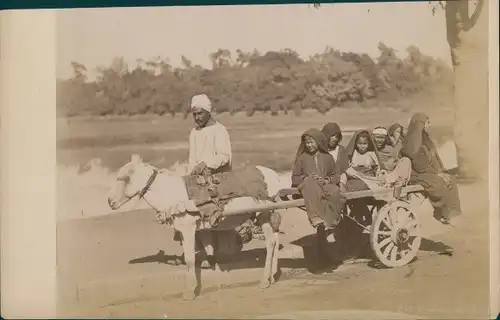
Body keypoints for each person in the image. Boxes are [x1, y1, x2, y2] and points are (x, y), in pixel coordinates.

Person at [401, 112, 462, 224]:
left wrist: (440, 171)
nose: (430, 125)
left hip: (428, 171)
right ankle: (440, 212)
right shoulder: (412, 142)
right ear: (421, 124)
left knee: (450, 179)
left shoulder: (426, 140)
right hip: (416, 174)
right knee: (438, 183)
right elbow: (419, 166)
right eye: (427, 122)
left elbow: (434, 159)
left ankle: (450, 213)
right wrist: (437, 174)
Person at [291, 129, 346, 232]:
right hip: (309, 187)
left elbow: (335, 175)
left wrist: (326, 181)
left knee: (336, 192)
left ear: (319, 142)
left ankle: (331, 220)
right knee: (311, 184)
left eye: (311, 142)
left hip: (324, 185)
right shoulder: (302, 158)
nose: (309, 145)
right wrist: (306, 178)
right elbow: (295, 177)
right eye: (307, 143)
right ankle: (314, 217)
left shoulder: (327, 157)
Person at [188, 94, 232, 176]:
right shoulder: (194, 132)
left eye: (200, 113)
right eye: (194, 114)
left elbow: (224, 156)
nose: (197, 118)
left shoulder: (219, 130)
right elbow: (192, 160)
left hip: (219, 177)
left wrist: (205, 164)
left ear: (208, 112)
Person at [321, 122, 349, 192]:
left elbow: (343, 168)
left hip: (338, 176)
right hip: (323, 176)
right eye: (332, 136)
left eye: (337, 136)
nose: (334, 139)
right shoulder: (320, 149)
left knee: (343, 175)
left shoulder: (340, 150)